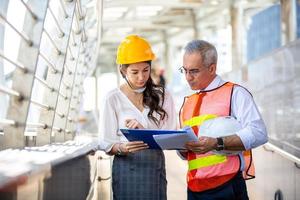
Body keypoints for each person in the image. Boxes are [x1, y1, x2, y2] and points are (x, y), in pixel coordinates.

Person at [178, 40, 268, 200]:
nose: (187, 77)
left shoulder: (235, 93)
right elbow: (187, 155)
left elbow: (259, 133)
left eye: (194, 71)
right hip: (193, 188)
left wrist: (217, 143)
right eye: (184, 70)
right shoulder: (188, 102)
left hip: (226, 187)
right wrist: (180, 147)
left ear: (212, 68)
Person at [99, 35, 176, 200]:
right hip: (126, 167)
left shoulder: (163, 96)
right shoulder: (112, 98)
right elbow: (105, 141)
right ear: (123, 70)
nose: (141, 77)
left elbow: (171, 134)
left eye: (145, 70)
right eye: (134, 72)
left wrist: (145, 132)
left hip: (153, 167)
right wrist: (122, 148)